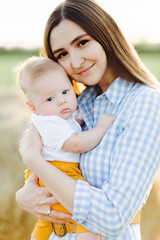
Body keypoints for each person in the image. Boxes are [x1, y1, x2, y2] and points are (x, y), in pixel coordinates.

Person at [16, 0, 160, 239]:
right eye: (62, 54)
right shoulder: (76, 103)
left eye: (82, 43)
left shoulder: (145, 103)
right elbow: (42, 147)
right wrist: (24, 196)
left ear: (106, 35)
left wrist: (33, 161)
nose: (75, 62)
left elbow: (114, 216)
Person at [16, 56, 115, 240]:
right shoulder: (51, 123)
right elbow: (76, 143)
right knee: (89, 215)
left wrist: (78, 120)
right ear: (32, 106)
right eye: (50, 98)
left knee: (46, 223)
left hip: (44, 175)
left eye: (65, 92)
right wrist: (101, 128)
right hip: (62, 172)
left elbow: (68, 128)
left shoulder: (48, 119)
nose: (61, 101)